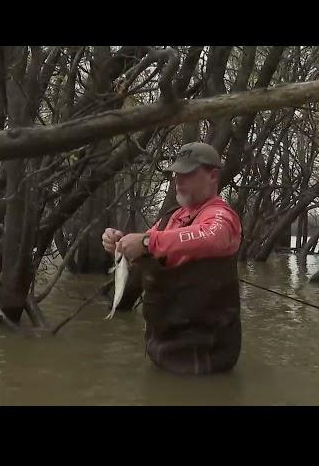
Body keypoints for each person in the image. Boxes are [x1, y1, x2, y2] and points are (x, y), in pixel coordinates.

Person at [101, 142, 243, 375]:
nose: (179, 180)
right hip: (162, 349)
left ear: (213, 175)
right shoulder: (171, 218)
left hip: (208, 357)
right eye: (176, 174)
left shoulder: (221, 215)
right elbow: (148, 254)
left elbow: (212, 237)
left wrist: (146, 242)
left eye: (188, 174)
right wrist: (120, 245)